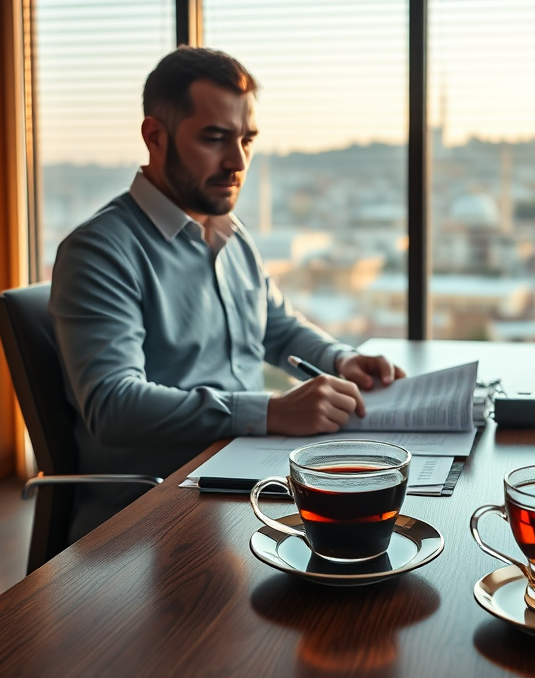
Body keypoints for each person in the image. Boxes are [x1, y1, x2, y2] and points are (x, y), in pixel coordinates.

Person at [50, 46, 405, 540]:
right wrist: (272, 411)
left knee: (387, 507)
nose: (237, 160)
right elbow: (114, 404)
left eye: (247, 139)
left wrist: (340, 359)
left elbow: (274, 326)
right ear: (155, 136)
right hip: (157, 511)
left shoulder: (231, 235)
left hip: (243, 477)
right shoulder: (101, 251)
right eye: (215, 138)